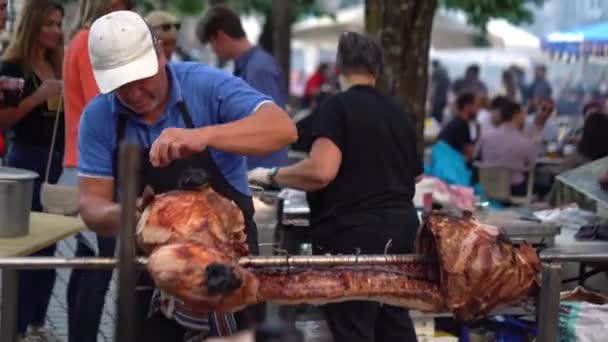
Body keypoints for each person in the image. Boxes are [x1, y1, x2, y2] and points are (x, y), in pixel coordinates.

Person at [78, 10, 296, 341]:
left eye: (141, 80)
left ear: (160, 54)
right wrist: (136, 214)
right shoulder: (98, 116)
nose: (135, 95)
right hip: (151, 272)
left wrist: (202, 136)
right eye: (122, 87)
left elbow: (282, 129)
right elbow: (92, 205)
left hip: (230, 263)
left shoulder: (206, 85)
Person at [249, 32, 421, 342]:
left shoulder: (337, 107)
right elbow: (416, 175)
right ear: (377, 69)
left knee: (352, 327)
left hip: (353, 237)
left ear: (339, 66)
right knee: (393, 322)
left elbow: (321, 171)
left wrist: (272, 175)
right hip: (401, 233)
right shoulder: (398, 112)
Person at [62, 1, 134, 341]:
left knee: (88, 262)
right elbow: (106, 103)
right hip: (98, 167)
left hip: (86, 161)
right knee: (98, 267)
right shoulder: (93, 40)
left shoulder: (80, 38)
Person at [0, 1, 65, 341]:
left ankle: (38, 321)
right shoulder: (12, 65)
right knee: (27, 243)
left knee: (51, 242)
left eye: (58, 23)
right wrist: (37, 96)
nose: (55, 30)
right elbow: (5, 119)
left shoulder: (58, 63)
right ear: (32, 26)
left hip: (54, 159)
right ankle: (16, 324)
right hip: (24, 158)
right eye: (48, 24)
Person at [196, 4, 289, 170]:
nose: (214, 51)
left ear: (220, 36)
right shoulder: (250, 66)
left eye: (211, 44)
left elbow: (267, 126)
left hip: (262, 172)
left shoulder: (259, 69)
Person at [475, 101, 537, 196]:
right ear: (517, 115)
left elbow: (476, 156)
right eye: (523, 114)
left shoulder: (485, 136)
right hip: (513, 190)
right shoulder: (526, 141)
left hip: (487, 186)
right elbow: (532, 165)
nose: (525, 117)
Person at [437, 92, 480, 161]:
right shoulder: (460, 125)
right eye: (476, 106)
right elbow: (470, 152)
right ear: (467, 107)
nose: (478, 109)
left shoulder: (458, 122)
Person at [430, 59, 450, 124]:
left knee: (434, 115)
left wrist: (431, 97)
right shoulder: (444, 71)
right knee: (440, 116)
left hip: (438, 97)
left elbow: (433, 86)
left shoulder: (436, 72)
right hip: (444, 97)